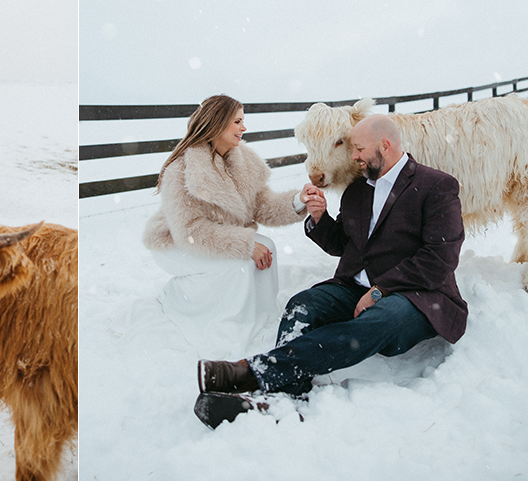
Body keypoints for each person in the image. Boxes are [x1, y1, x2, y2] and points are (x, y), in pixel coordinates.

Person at [195, 114, 468, 428]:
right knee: (302, 305)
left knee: (378, 319)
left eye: (359, 149)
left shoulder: (435, 185)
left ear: (386, 145)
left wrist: (381, 290)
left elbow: (440, 258)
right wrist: (319, 218)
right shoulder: (357, 191)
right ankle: (288, 396)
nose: (353, 157)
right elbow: (345, 245)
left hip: (416, 296)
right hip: (353, 288)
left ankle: (251, 372)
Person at [141, 95, 317, 353]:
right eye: (237, 121)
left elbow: (262, 206)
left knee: (267, 246)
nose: (243, 128)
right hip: (173, 244)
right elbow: (190, 231)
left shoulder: (243, 161)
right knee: (239, 267)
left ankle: (263, 321)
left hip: (212, 236)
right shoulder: (182, 169)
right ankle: (186, 300)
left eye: (243, 121)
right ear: (217, 124)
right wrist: (244, 245)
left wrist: (298, 200)